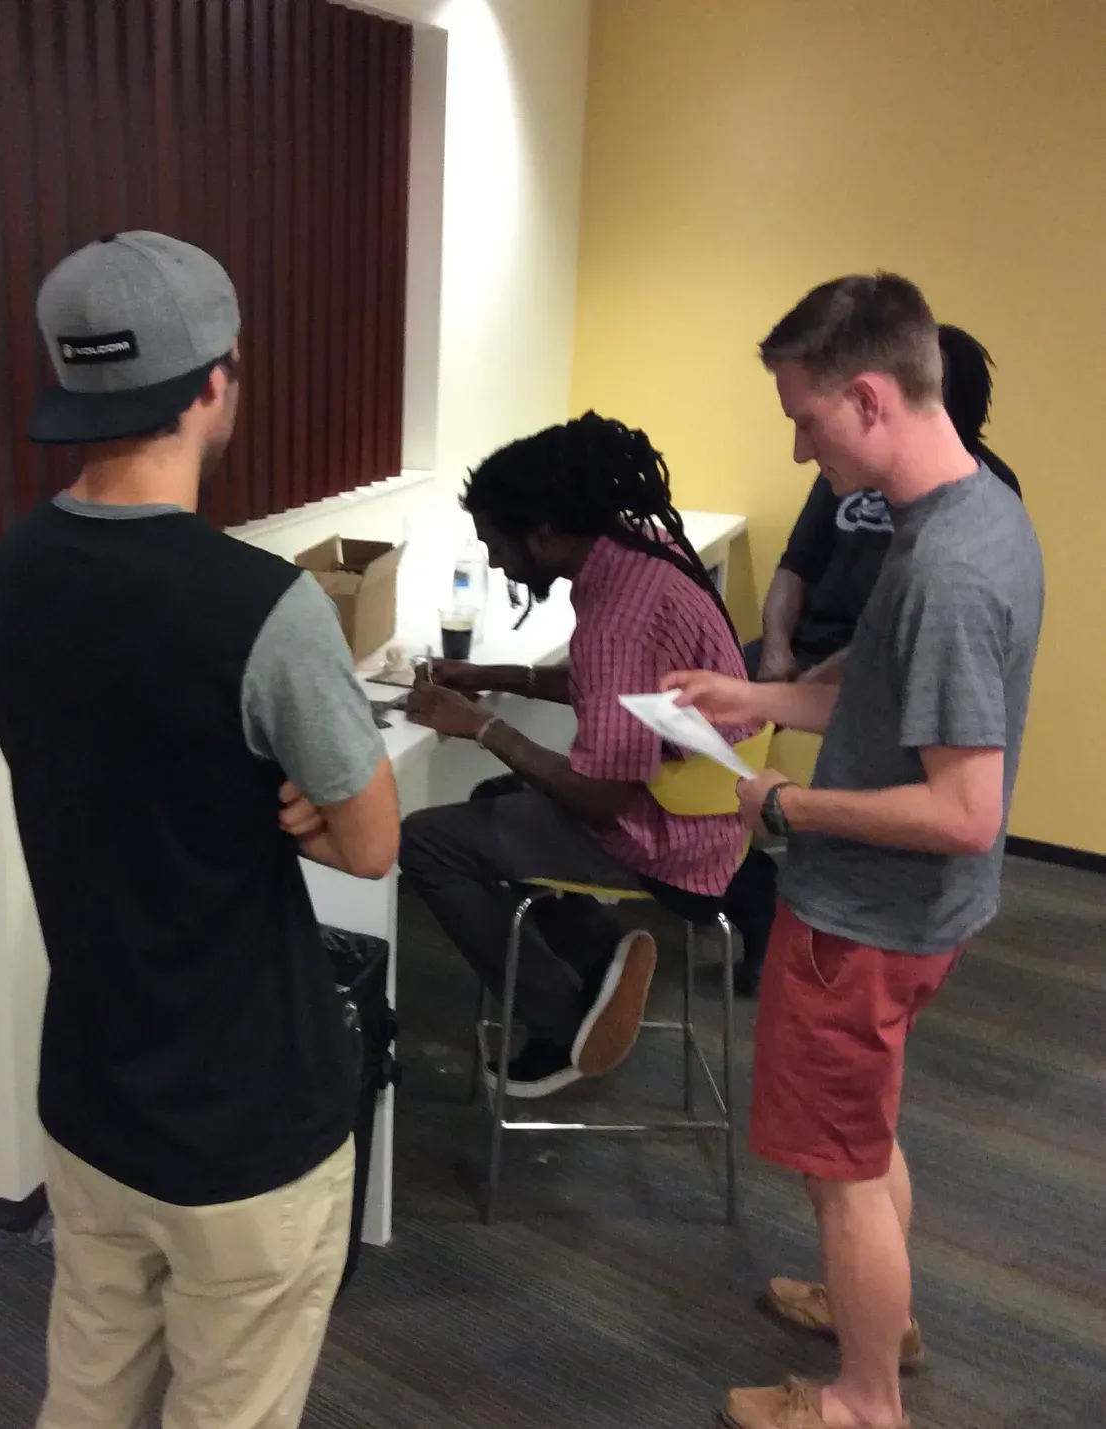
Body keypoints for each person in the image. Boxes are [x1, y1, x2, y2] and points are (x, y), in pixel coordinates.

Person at [0, 232, 400, 1429]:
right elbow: (372, 842)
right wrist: (301, 809)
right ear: (216, 383)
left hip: (94, 1086)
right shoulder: (264, 605)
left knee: (88, 1387)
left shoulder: (11, 574)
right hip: (245, 1113)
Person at [669, 274, 1042, 1429]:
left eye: (805, 418)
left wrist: (788, 805)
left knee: (838, 1173)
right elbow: (878, 694)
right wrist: (753, 693)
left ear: (870, 398)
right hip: (907, 914)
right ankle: (876, 1313)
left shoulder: (945, 569)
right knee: (862, 1140)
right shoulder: (963, 512)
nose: (797, 448)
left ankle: (861, 1400)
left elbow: (964, 809)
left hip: (866, 921)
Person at [398, 413, 763, 1099]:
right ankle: (602, 950)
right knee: (491, 801)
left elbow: (600, 798)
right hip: (713, 808)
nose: (496, 562)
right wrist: (497, 678)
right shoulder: (646, 549)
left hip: (671, 837)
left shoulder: (617, 620)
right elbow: (612, 686)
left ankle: (561, 1024)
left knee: (426, 841)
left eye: (497, 545)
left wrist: (482, 727)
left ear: (545, 535)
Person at [745, 323, 1022, 685]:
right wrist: (777, 653)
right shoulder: (849, 467)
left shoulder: (983, 493)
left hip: (883, 673)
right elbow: (794, 566)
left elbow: (914, 640)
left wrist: (804, 691)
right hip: (803, 654)